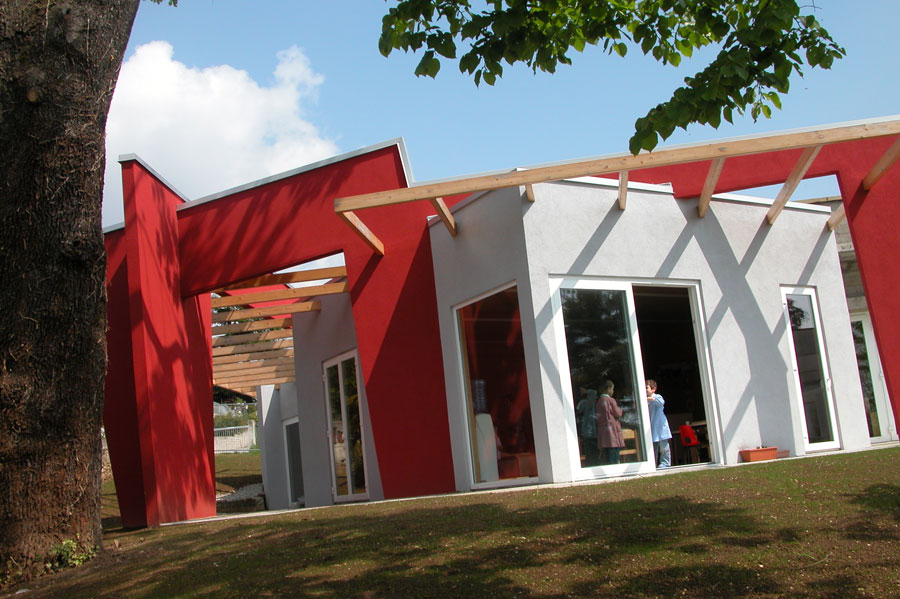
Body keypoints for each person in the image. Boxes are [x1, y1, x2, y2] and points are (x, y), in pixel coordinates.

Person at [595, 380, 624, 464]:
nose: (613, 391)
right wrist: (621, 410)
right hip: (612, 432)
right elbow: (617, 413)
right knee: (614, 455)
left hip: (603, 432)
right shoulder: (610, 400)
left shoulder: (599, 401)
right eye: (612, 389)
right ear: (608, 389)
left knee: (607, 454)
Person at [646, 379, 672, 468]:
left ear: (653, 389)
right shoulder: (645, 401)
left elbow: (661, 402)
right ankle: (653, 463)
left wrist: (651, 399)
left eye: (647, 388)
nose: (645, 390)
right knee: (653, 448)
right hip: (651, 427)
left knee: (664, 446)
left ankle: (665, 463)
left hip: (661, 427)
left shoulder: (657, 397)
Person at [576, 388, 598, 464]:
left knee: (591, 452)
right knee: (591, 452)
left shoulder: (586, 403)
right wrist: (587, 391)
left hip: (589, 431)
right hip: (589, 432)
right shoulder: (586, 403)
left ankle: (591, 463)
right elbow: (578, 412)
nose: (596, 398)